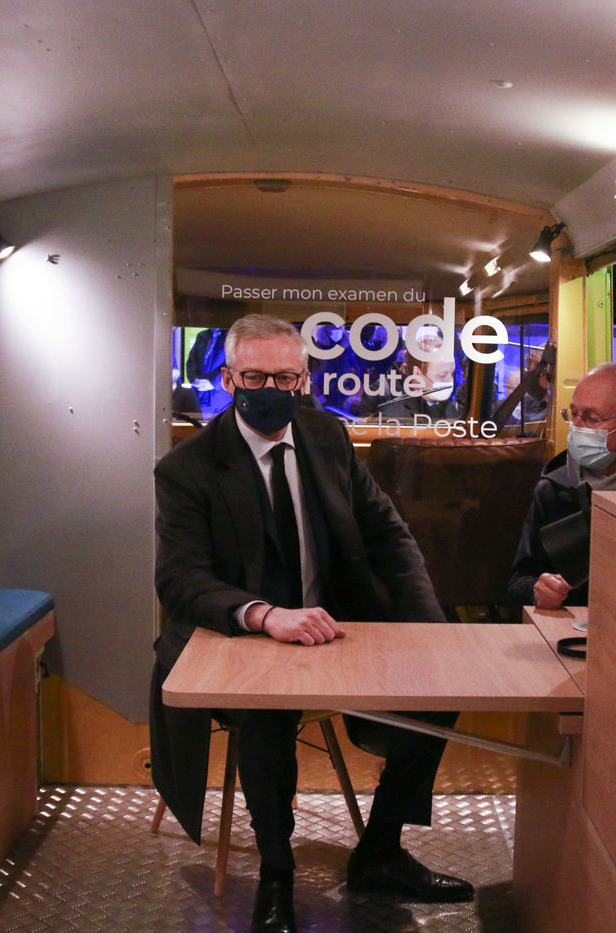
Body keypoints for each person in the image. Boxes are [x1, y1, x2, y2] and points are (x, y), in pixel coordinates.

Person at [150, 314, 473, 933]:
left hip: (332, 627)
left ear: (304, 380)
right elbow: (180, 580)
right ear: (228, 379)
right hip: (240, 639)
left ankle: (380, 851)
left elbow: (388, 533)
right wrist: (265, 615)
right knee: (265, 720)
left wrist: (428, 628)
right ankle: (277, 874)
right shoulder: (187, 468)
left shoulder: (327, 435)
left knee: (438, 696)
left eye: (285, 377)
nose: (270, 389)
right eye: (254, 377)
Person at [507, 362, 616, 609]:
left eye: (592, 418)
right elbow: (519, 581)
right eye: (574, 414)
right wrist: (538, 591)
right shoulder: (554, 489)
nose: (577, 427)